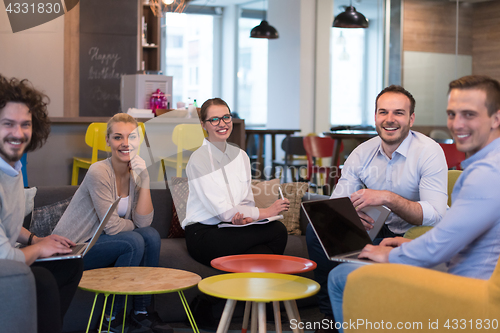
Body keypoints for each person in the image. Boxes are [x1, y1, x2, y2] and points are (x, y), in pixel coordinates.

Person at [328, 75, 500, 332]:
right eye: (452, 114)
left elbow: (438, 246)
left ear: (496, 119)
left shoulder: (487, 174)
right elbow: (461, 238)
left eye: (469, 114)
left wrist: (392, 255)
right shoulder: (486, 166)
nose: (457, 124)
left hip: (470, 290)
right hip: (460, 269)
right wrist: (411, 245)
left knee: (341, 278)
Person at [306, 85, 448, 330]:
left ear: (411, 119)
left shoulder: (428, 152)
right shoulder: (362, 153)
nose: (390, 119)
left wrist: (388, 198)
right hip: (377, 229)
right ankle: (331, 318)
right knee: (318, 230)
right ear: (375, 117)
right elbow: (335, 204)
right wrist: (349, 216)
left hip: (414, 233)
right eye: (383, 112)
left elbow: (435, 214)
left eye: (399, 113)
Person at [52, 113, 170, 333]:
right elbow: (113, 227)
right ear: (108, 141)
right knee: (134, 241)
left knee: (151, 236)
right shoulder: (99, 171)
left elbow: (144, 223)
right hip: (74, 249)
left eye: (132, 137)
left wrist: (144, 180)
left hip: (102, 243)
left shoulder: (135, 171)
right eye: (118, 137)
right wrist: (133, 225)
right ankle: (110, 319)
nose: (126, 144)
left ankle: (142, 312)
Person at [0, 74, 83, 333]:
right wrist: (39, 250)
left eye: (25, 124)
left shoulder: (11, 168)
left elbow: (6, 221)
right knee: (43, 280)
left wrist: (35, 240)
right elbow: (4, 259)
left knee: (69, 263)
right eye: (8, 124)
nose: (18, 133)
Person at [181, 98, 290, 266]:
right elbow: (223, 213)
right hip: (204, 233)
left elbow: (247, 201)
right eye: (214, 119)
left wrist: (244, 219)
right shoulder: (199, 160)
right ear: (203, 125)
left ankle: (242, 287)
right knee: (271, 239)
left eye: (226, 117)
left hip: (233, 228)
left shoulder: (241, 156)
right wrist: (267, 212)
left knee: (278, 232)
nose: (222, 124)